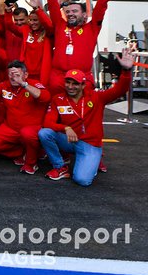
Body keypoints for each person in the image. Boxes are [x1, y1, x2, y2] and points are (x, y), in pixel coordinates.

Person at [39, 51, 133, 185]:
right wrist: (66, 128)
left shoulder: (97, 97)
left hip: (90, 144)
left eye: (75, 84)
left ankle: (91, 162)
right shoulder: (58, 99)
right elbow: (47, 122)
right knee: (44, 133)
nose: (70, 87)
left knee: (82, 180)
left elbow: (120, 90)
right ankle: (60, 167)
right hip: (69, 140)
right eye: (68, 82)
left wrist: (126, 70)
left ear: (83, 85)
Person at [44, 0, 113, 94]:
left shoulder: (92, 28)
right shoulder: (60, 25)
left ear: (83, 14)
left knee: (83, 113)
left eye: (75, 11)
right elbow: (52, 4)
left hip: (82, 79)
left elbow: (101, 7)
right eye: (68, 12)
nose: (70, 14)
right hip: (58, 78)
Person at [0, 60, 50, 174]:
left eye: (17, 75)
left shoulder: (34, 83)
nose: (13, 78)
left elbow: (45, 97)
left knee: (27, 133)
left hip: (31, 130)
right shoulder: (5, 85)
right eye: (11, 74)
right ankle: (23, 152)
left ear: (25, 75)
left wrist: (24, 84)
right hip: (11, 128)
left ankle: (31, 164)